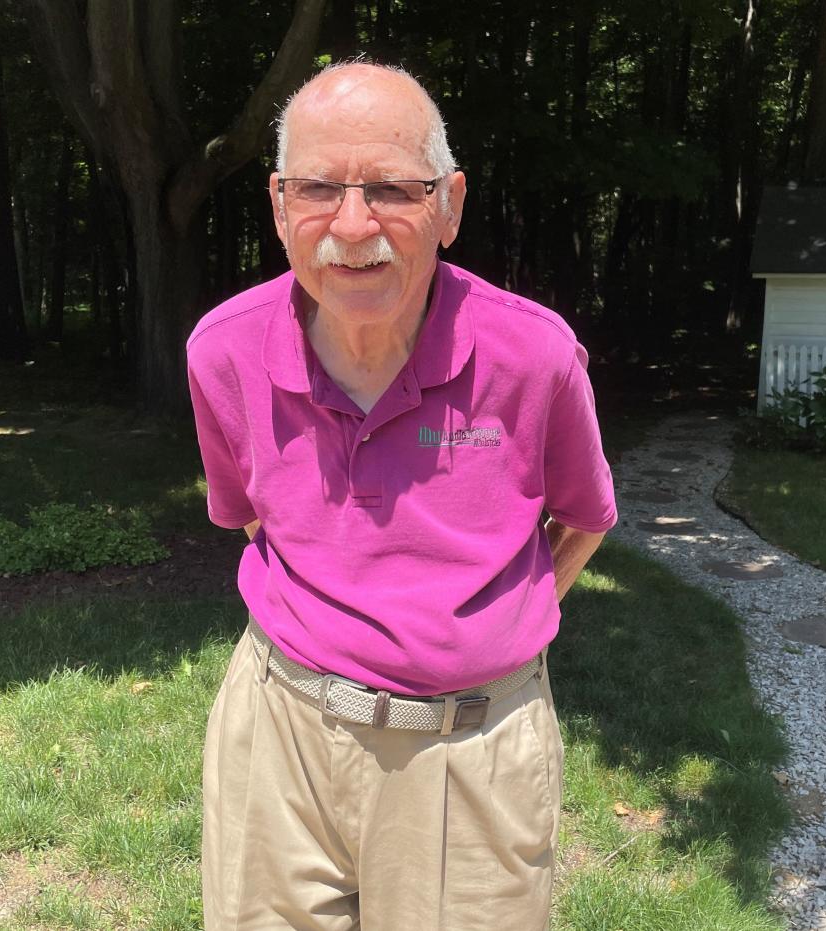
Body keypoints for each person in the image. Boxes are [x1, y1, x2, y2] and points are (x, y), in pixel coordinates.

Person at [185, 60, 617, 931]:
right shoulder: (221, 351)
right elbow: (251, 521)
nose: (352, 225)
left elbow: (584, 518)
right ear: (278, 206)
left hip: (469, 752)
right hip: (278, 737)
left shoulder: (533, 358)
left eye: (391, 188)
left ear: (449, 206)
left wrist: (480, 637)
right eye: (317, 188)